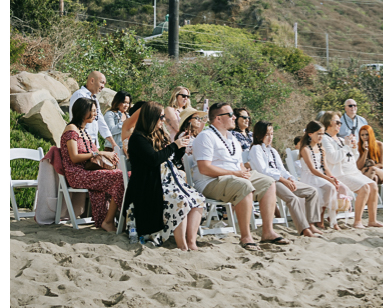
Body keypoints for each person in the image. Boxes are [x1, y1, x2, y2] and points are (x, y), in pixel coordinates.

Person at [191, 103, 289, 249]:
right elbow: (204, 168)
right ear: (218, 118)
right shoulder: (206, 136)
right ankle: (246, 236)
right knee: (244, 186)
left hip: (234, 177)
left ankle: (267, 232)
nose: (234, 117)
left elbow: (239, 164)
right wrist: (235, 173)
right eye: (230, 115)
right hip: (211, 181)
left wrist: (243, 171)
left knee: (268, 182)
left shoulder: (232, 138)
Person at [122, 102, 205, 250]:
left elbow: (171, 157)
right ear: (151, 118)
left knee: (198, 200)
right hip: (148, 184)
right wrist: (174, 145)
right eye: (161, 117)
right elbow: (154, 159)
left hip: (167, 181)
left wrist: (181, 146)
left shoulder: (159, 135)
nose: (163, 121)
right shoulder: (137, 138)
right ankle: (182, 245)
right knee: (181, 201)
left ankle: (191, 242)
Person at [60, 98, 125, 232]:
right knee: (119, 177)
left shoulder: (83, 130)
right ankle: (108, 221)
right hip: (77, 174)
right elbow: (74, 157)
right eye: (93, 111)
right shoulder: (71, 130)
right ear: (83, 111)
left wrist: (109, 156)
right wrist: (98, 153)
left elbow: (94, 152)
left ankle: (111, 218)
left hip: (87, 171)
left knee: (123, 175)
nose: (96, 114)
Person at [248, 121, 323, 238]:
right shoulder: (256, 149)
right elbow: (263, 171)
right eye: (267, 134)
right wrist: (283, 180)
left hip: (282, 179)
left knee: (312, 191)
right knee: (292, 198)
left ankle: (311, 223)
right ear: (259, 135)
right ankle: (304, 229)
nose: (270, 137)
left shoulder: (272, 150)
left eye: (271, 134)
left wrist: (289, 178)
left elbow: (281, 168)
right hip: (269, 182)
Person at [320, 111, 381, 229]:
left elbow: (353, 158)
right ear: (329, 123)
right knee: (364, 188)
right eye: (337, 122)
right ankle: (357, 221)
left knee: (373, 185)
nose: (340, 124)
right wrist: (347, 146)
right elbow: (332, 158)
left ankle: (372, 220)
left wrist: (353, 148)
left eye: (340, 122)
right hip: (339, 174)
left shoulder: (341, 140)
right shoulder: (325, 139)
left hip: (352, 171)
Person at [297, 121, 348, 230]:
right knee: (329, 187)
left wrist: (332, 178)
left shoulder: (321, 148)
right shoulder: (305, 149)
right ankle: (320, 219)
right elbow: (312, 169)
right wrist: (328, 179)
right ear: (310, 134)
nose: (321, 136)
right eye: (318, 133)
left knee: (334, 186)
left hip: (320, 176)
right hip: (310, 177)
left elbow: (325, 167)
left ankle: (327, 217)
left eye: (323, 133)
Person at [68, 71, 117, 153]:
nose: (103, 87)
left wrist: (113, 143)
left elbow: (100, 121)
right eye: (102, 83)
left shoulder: (94, 98)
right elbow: (78, 120)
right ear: (92, 80)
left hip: (92, 144)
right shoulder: (79, 95)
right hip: (82, 143)